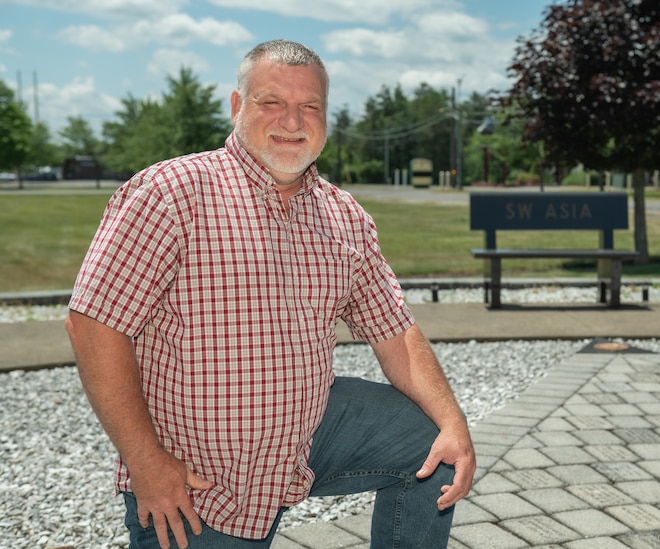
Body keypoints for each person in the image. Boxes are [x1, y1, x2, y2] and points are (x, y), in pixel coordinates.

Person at [65, 39, 475, 549]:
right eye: (271, 102)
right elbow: (93, 325)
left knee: (433, 443)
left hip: (306, 435)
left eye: (310, 106)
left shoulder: (343, 216)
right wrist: (147, 463)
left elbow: (395, 330)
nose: (292, 120)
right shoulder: (172, 193)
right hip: (202, 484)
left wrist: (455, 423)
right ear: (238, 107)